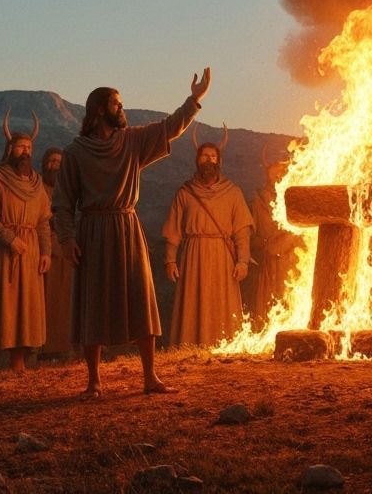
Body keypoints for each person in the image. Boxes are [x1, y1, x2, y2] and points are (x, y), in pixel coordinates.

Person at [52, 69, 210, 396]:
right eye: (117, 105)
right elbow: (63, 201)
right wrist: (66, 238)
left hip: (127, 226)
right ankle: (94, 381)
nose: (122, 110)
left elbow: (169, 128)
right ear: (100, 111)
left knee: (141, 297)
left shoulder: (132, 141)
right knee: (93, 301)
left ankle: (150, 377)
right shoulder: (76, 152)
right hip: (93, 231)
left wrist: (194, 99)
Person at [0, 111, 52, 375]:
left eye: (29, 147)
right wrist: (9, 238)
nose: (26, 151)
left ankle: (18, 362)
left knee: (25, 307)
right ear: (10, 148)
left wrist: (46, 251)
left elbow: (43, 220)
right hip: (3, 252)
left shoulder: (36, 182)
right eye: (21, 146)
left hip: (30, 251)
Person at [163, 128, 254, 347]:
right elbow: (173, 229)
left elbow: (242, 230)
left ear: (219, 161)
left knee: (222, 300)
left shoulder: (233, 192)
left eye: (213, 156)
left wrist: (242, 261)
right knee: (193, 300)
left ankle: (225, 345)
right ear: (197, 160)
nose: (209, 160)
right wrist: (170, 259)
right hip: (194, 253)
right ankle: (190, 345)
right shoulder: (185, 193)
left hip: (223, 255)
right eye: (204, 156)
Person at [249, 151, 302, 327]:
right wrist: (262, 246)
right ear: (267, 173)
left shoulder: (294, 197)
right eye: (274, 171)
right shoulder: (257, 201)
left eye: (282, 171)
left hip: (290, 256)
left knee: (288, 292)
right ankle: (267, 330)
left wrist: (286, 242)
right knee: (267, 297)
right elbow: (251, 230)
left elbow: (301, 229)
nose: (278, 175)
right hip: (267, 257)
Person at [39, 147, 75, 358]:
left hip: (67, 249)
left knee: (66, 300)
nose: (56, 165)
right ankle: (43, 347)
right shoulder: (37, 188)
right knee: (45, 299)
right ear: (45, 164)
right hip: (45, 248)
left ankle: (64, 346)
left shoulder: (71, 190)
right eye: (52, 161)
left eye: (59, 162)